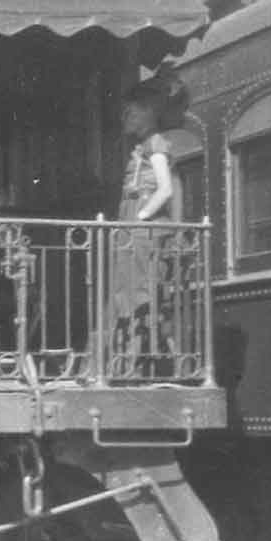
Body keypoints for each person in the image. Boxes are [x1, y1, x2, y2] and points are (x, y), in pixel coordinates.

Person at [109, 65, 188, 375]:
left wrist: (142, 215)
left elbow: (165, 188)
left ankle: (139, 356)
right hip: (131, 220)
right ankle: (131, 354)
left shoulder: (155, 145)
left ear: (149, 112)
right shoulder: (143, 146)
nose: (127, 116)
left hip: (140, 221)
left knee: (138, 287)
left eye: (133, 111)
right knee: (127, 286)